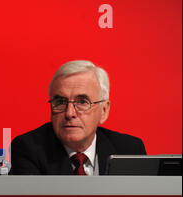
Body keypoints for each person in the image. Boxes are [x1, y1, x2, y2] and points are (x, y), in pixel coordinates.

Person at [10, 60, 146, 175]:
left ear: (104, 111)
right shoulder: (28, 149)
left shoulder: (129, 150)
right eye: (60, 102)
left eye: (82, 102)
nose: (69, 113)